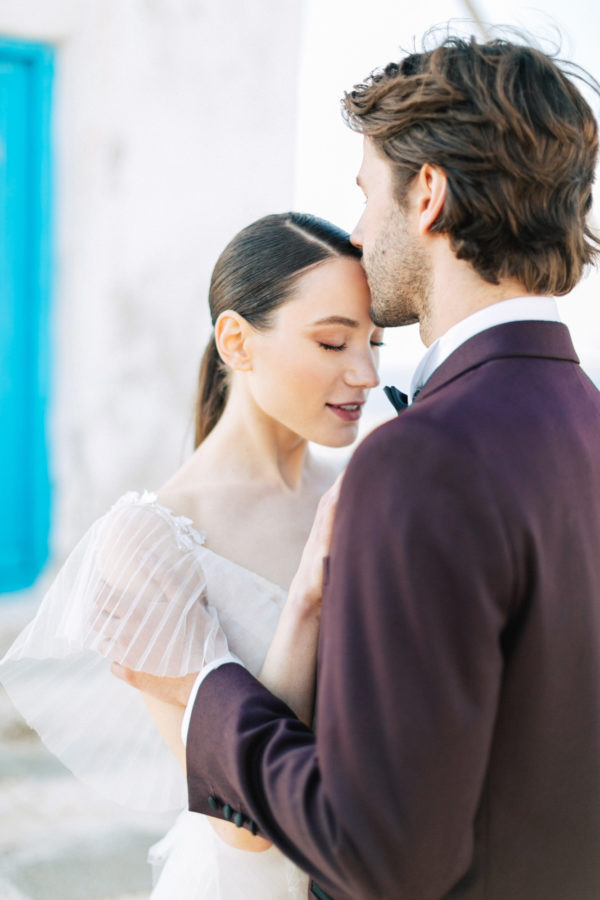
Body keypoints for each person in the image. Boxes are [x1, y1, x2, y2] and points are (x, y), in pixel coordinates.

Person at [114, 34, 600, 900]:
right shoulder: (586, 423)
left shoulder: (422, 459)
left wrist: (211, 704)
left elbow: (385, 854)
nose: (360, 231)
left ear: (427, 195)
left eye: (365, 194)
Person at [0, 211, 383, 899]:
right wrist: (307, 596)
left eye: (374, 343)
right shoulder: (149, 541)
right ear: (237, 340)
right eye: (333, 343)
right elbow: (242, 821)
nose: (365, 373)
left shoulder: (363, 491)